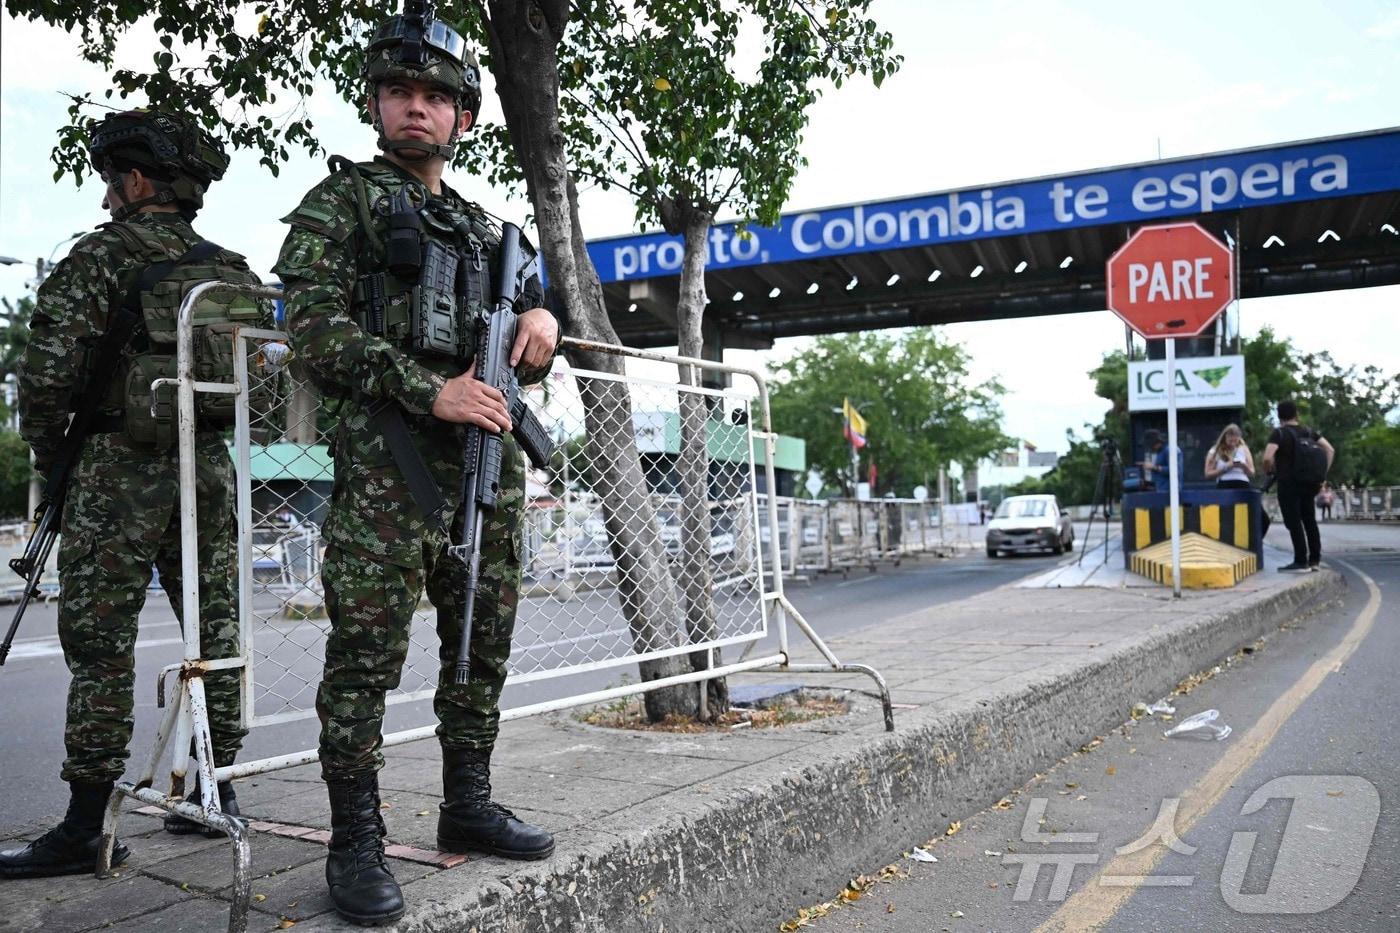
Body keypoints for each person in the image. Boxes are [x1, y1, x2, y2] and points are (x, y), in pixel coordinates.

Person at [273, 5, 560, 924]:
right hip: (391, 474)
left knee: (482, 641)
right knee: (364, 657)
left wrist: (541, 322)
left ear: (464, 117)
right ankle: (356, 837)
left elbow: (529, 311)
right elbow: (312, 333)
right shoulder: (341, 203)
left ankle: (466, 804)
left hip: (489, 464)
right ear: (377, 105)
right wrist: (425, 389)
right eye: (399, 92)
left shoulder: (487, 230)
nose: (416, 109)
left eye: (436, 96)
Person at [1, 111, 259, 879]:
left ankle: (87, 825)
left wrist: (60, 459)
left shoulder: (97, 259)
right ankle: (217, 790)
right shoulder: (232, 273)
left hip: (116, 470)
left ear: (137, 181)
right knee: (218, 630)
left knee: (100, 645)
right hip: (209, 468)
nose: (109, 195)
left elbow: (44, 376)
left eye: (113, 179)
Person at [1262, 399, 1334, 572]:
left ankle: (1300, 560)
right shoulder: (1309, 432)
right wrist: (1322, 475)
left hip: (1288, 483)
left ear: (1279, 416)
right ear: (1297, 414)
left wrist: (1268, 470)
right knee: (1309, 520)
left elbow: (1267, 457)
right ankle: (1315, 560)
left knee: (1294, 521)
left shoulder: (1279, 434)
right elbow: (1330, 449)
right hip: (1310, 483)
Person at [1203, 424, 1256, 489]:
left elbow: (1252, 473)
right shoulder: (1215, 450)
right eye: (1230, 437)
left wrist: (1243, 465)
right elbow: (1208, 474)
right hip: (1224, 483)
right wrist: (1226, 467)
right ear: (1225, 437)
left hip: (1242, 483)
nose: (1233, 440)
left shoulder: (1244, 449)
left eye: (1236, 437)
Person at [1139, 428, 1184, 495]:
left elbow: (1175, 471)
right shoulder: (1160, 452)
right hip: (1161, 491)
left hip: (1170, 493)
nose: (1151, 448)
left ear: (1155, 442)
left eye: (1150, 445)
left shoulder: (1170, 450)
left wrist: (1154, 467)